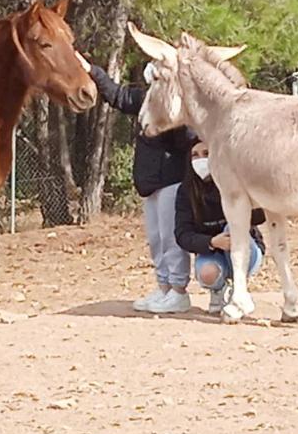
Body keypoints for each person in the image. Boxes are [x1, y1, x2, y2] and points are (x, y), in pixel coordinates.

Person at [88, 61, 194, 313]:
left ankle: (179, 291)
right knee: (157, 239)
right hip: (150, 184)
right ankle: (164, 288)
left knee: (171, 239)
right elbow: (118, 96)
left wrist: (163, 126)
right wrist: (91, 70)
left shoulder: (179, 105)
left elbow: (188, 139)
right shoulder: (144, 99)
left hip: (172, 180)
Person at [175, 139, 267, 315]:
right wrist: (212, 242)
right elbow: (182, 234)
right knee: (207, 273)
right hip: (212, 251)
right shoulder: (185, 191)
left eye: (206, 154)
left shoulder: (235, 181)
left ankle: (239, 290)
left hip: (246, 249)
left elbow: (260, 216)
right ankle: (218, 291)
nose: (200, 160)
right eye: (195, 156)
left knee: (231, 229)